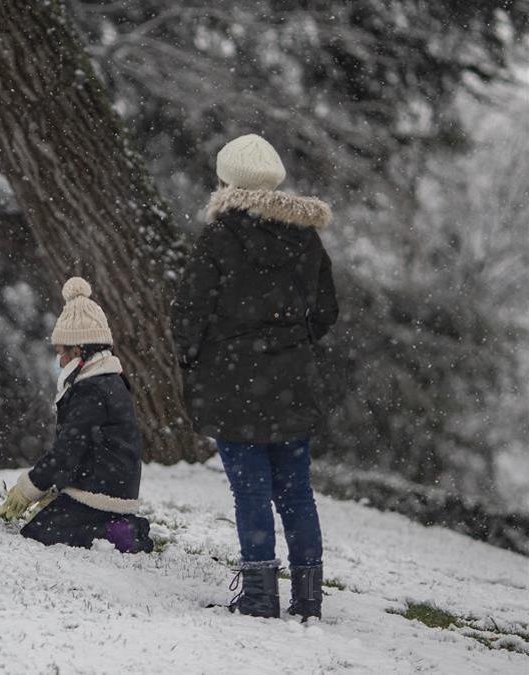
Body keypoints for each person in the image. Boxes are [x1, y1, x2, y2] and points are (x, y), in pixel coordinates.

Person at [170, 134, 338, 620]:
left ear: (226, 180)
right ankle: (308, 597)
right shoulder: (307, 238)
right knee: (296, 491)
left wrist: (197, 356)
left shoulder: (220, 236)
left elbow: (188, 312)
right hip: (291, 382)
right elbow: (327, 310)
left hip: (231, 381)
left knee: (250, 489)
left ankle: (261, 593)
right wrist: (293, 345)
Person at [0, 277, 153, 555]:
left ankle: (121, 533)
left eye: (61, 353)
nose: (59, 361)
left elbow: (68, 448)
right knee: (47, 524)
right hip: (109, 485)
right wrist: (56, 486)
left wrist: (30, 487)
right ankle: (117, 524)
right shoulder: (108, 379)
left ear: (79, 350)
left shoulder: (91, 389)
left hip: (99, 493)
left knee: (39, 533)